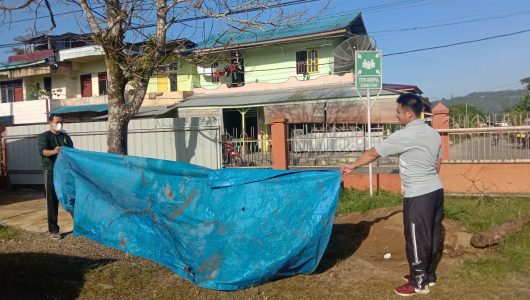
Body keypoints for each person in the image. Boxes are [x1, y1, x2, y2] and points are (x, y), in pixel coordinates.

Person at [341, 93, 444, 297]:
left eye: (398, 112)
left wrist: (352, 165)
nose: (396, 116)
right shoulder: (433, 133)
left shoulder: (405, 135)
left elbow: (373, 153)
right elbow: (438, 163)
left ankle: (418, 282)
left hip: (419, 194)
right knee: (432, 234)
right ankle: (427, 274)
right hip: (436, 190)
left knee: (416, 237)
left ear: (408, 113)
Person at [37, 114, 74, 240]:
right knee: (52, 200)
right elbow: (43, 152)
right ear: (50, 122)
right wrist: (55, 151)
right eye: (57, 122)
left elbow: (72, 152)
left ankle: (79, 225)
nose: (60, 124)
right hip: (51, 170)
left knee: (71, 197)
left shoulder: (65, 137)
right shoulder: (44, 136)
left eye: (62, 122)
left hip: (64, 171)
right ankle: (53, 229)